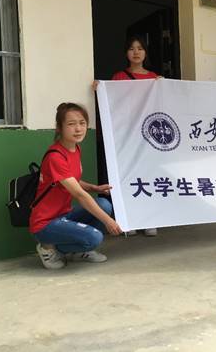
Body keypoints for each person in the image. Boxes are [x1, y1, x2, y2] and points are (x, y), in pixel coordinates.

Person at [30, 102, 123, 270]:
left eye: (82, 123)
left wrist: (94, 188)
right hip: (46, 223)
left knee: (104, 204)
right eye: (71, 124)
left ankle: (77, 251)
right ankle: (48, 248)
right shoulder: (55, 157)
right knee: (94, 238)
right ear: (59, 127)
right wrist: (108, 221)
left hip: (64, 214)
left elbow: (71, 180)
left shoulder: (75, 149)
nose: (78, 129)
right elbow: (79, 195)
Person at [93, 36, 160, 236]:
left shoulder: (155, 79)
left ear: (146, 52)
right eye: (131, 48)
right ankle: (129, 219)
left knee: (148, 175)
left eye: (140, 48)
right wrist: (100, 88)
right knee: (128, 176)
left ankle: (149, 219)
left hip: (148, 138)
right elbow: (113, 103)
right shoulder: (119, 77)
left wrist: (164, 86)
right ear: (126, 53)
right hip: (126, 136)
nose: (136, 52)